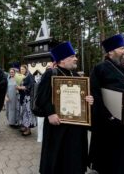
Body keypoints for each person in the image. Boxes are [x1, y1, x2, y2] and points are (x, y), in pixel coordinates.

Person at [35, 41, 94, 174]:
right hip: (58, 126)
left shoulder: (78, 76)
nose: (76, 59)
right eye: (72, 56)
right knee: (58, 159)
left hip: (77, 127)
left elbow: (83, 97)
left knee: (74, 157)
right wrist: (50, 113)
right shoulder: (51, 74)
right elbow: (40, 99)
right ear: (62, 59)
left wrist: (89, 100)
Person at [88, 34, 124, 174]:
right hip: (111, 122)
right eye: (122, 48)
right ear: (111, 51)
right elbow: (95, 95)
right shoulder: (100, 68)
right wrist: (109, 117)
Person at [17, 65, 36, 136]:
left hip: (28, 98)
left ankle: (29, 130)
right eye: (20, 69)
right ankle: (25, 127)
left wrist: (22, 87)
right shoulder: (22, 76)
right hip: (24, 98)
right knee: (24, 113)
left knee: (28, 113)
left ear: (26, 69)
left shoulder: (29, 76)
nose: (21, 70)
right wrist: (18, 88)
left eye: (22, 69)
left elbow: (32, 85)